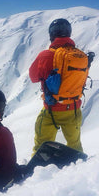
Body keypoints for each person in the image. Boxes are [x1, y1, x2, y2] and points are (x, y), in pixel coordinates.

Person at [29, 18, 84, 156]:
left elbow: (33, 77)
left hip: (51, 110)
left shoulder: (45, 55)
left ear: (51, 35)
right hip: (74, 109)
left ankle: (37, 172)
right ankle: (79, 169)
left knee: (41, 147)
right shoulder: (79, 55)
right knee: (75, 146)